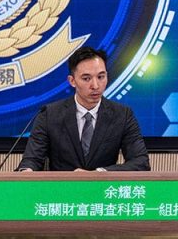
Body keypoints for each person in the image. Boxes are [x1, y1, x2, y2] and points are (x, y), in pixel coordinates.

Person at [16, 46, 149, 172]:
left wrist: (100, 173)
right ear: (72, 81)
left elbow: (141, 162)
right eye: (86, 78)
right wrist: (27, 171)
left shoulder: (122, 115)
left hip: (102, 187)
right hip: (62, 188)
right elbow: (32, 160)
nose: (95, 85)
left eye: (101, 77)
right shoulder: (49, 114)